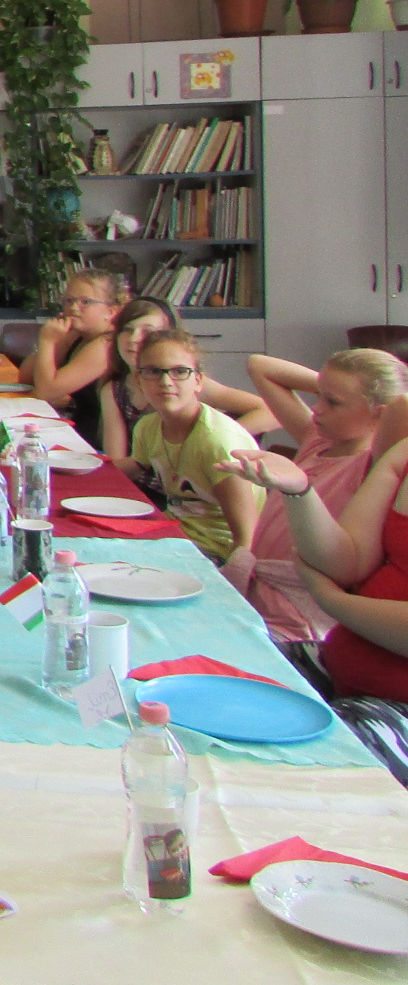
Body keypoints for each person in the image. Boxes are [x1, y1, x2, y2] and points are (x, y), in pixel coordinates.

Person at [223, 431, 408, 783]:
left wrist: (335, 602)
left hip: (395, 707)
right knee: (217, 669)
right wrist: (299, 490)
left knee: (290, 765)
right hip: (339, 666)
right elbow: (347, 561)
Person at [218, 351, 408, 643]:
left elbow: (402, 406)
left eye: (333, 402)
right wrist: (336, 387)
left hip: (296, 614)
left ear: (380, 414)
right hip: (255, 591)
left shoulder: (373, 464)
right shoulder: (317, 440)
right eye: (319, 396)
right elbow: (260, 365)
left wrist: (377, 393)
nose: (317, 409)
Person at [114, 329, 262, 563]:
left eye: (180, 371)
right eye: (153, 371)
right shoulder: (148, 427)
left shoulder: (217, 442)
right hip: (173, 534)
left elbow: (247, 538)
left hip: (215, 552)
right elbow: (135, 465)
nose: (165, 382)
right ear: (139, 380)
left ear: (198, 381)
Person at [97, 298, 273, 490]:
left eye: (148, 332)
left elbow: (269, 411)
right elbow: (117, 461)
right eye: (127, 330)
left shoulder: (186, 383)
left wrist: (210, 437)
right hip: (142, 488)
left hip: (190, 492)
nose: (133, 339)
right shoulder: (114, 390)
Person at [21, 268, 125, 443]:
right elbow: (26, 378)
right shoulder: (77, 335)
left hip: (93, 440)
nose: (74, 308)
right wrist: (58, 341)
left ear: (111, 312)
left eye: (86, 302)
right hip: (72, 429)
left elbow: (45, 391)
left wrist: (47, 342)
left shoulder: (106, 344)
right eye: (69, 301)